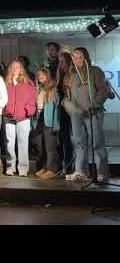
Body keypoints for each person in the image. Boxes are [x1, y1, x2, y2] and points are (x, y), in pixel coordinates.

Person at [63, 47, 110, 182]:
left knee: (97, 143)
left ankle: (102, 173)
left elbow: (103, 91)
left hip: (93, 112)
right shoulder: (71, 74)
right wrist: (70, 107)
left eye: (79, 57)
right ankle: (81, 171)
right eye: (73, 57)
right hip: (77, 114)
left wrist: (94, 104)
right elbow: (68, 95)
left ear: (85, 57)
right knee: (78, 142)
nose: (76, 60)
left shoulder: (94, 71)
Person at [3, 59, 36, 177]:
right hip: (9, 117)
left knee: (23, 143)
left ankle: (23, 169)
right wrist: (5, 109)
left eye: (17, 67)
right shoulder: (6, 83)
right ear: (10, 69)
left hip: (23, 117)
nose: (15, 69)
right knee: (9, 143)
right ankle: (10, 167)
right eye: (12, 67)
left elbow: (32, 97)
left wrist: (29, 110)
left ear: (21, 69)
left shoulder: (28, 83)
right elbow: (1, 97)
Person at [31, 68, 61, 179]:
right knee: (40, 145)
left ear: (47, 75)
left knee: (50, 146)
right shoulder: (38, 89)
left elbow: (56, 108)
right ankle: (44, 166)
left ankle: (52, 168)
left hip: (49, 120)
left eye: (42, 75)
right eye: (38, 75)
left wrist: (55, 124)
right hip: (39, 119)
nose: (40, 77)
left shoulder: (53, 89)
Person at [57, 52, 74, 175]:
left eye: (63, 61)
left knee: (72, 140)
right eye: (60, 61)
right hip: (62, 111)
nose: (61, 64)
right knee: (63, 139)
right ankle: (66, 167)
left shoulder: (73, 75)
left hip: (73, 110)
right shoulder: (60, 76)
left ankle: (72, 167)